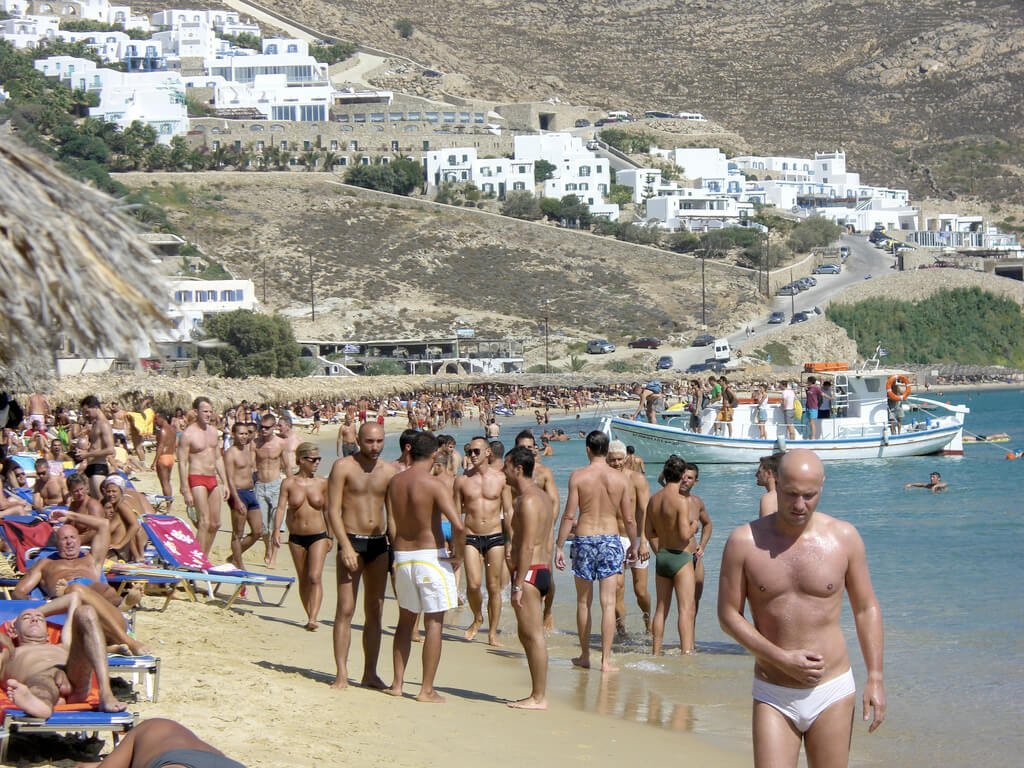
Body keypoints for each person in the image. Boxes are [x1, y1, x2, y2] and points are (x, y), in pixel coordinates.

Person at [717, 449, 886, 767]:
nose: (799, 505)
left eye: (809, 496)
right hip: (773, 690)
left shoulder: (844, 538)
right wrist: (780, 658)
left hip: (832, 688)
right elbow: (728, 615)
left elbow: (866, 608)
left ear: (822, 486)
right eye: (791, 494)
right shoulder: (744, 542)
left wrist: (875, 677)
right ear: (776, 483)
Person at [386, 432, 464, 703]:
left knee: (405, 622)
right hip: (430, 556)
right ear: (434, 455)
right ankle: (426, 689)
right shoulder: (433, 484)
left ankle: (397, 684)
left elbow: (391, 521)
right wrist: (458, 555)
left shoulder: (395, 482)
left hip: (403, 556)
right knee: (433, 624)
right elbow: (458, 525)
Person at [554, 431, 637, 672]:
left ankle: (584, 656)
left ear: (588, 449)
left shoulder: (578, 476)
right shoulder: (620, 479)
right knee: (608, 603)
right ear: (606, 450)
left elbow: (569, 515)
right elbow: (629, 519)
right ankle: (606, 661)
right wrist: (634, 544)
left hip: (584, 539)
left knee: (583, 602)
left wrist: (559, 546)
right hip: (610, 539)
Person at [14, 510, 147, 655]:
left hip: (108, 615)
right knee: (76, 589)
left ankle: (120, 607)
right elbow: (19, 592)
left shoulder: (92, 559)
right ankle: (126, 640)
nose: (69, 542)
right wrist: (32, 603)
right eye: (64, 538)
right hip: (67, 616)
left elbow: (103, 524)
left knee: (83, 589)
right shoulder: (45, 563)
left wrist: (71, 515)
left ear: (80, 540)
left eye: (73, 537)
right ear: (56, 543)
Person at [326, 422, 397, 690]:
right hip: (352, 541)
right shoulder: (343, 467)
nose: (375, 447)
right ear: (358, 440)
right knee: (345, 608)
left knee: (375, 611)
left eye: (379, 441)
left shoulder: (389, 471)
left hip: (379, 545)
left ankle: (370, 673)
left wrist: (396, 549)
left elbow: (392, 516)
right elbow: (333, 511)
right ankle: (341, 673)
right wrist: (344, 545)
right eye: (369, 441)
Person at [0, 593, 127, 719]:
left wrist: (36, 612)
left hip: (75, 677)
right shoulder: (9, 651)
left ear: (48, 633)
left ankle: (106, 694)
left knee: (86, 611)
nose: (34, 619)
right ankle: (40, 703)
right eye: (26, 618)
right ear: (14, 631)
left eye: (40, 618)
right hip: (40, 680)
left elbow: (73, 597)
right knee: (43, 680)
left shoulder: (64, 645)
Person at [503, 445, 553, 710]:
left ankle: (539, 697)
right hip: (538, 571)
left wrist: (518, 584)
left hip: (530, 573)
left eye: (506, 466)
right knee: (528, 635)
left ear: (518, 468)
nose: (503, 471)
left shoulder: (528, 500)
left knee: (533, 637)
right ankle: (536, 693)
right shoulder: (541, 497)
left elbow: (527, 545)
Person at [455, 436, 512, 645]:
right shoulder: (462, 480)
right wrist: (455, 544)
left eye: (476, 451)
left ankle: (492, 632)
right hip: (471, 536)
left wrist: (510, 540)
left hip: (495, 535)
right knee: (473, 584)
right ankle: (478, 617)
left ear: (488, 452)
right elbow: (455, 513)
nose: (472, 455)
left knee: (494, 586)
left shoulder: (501, 479)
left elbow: (509, 511)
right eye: (469, 452)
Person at [273, 443, 331, 631]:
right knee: (304, 578)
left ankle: (313, 618)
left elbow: (328, 510)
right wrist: (276, 531)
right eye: (313, 459)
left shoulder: (322, 483)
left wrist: (331, 535)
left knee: (314, 576)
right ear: (301, 460)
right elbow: (281, 508)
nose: (317, 463)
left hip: (318, 535)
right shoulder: (289, 483)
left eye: (319, 459)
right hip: (296, 537)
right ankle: (309, 613)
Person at [645, 455, 698, 655]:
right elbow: (685, 535)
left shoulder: (654, 499)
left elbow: (648, 532)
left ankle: (655, 651)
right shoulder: (681, 501)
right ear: (682, 475)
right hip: (681, 556)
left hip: (663, 556)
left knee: (661, 608)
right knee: (685, 609)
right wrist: (694, 526)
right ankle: (686, 654)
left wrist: (659, 552)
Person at [513, 430, 559, 631]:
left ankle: (547, 610)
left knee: (545, 571)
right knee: (518, 571)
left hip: (542, 529)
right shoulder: (512, 474)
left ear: (535, 448)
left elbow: (554, 501)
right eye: (522, 447)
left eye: (530, 447)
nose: (528, 450)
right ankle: (527, 614)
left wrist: (547, 526)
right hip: (518, 527)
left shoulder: (543, 472)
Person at [606, 440, 652, 636]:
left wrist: (644, 542)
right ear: (606, 459)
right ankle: (621, 632)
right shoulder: (604, 480)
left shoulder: (637, 480)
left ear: (625, 459)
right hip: (613, 539)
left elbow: (646, 512)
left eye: (619, 459)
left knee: (640, 591)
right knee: (617, 588)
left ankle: (648, 622)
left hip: (636, 539)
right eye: (612, 460)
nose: (616, 463)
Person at [177, 397, 227, 556]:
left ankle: (204, 556)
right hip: (196, 477)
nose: (208, 414)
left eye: (210, 411)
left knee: (216, 523)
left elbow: (218, 458)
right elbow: (182, 462)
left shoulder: (213, 431)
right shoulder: (188, 434)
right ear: (196, 412)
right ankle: (196, 559)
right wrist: (185, 488)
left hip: (212, 478)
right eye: (205, 411)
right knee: (204, 521)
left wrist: (225, 482)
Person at [224, 422, 262, 568]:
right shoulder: (230, 453)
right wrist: (237, 500)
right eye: (241, 433)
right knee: (238, 533)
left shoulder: (247, 449)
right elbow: (229, 479)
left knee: (258, 531)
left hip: (250, 492)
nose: (244, 436)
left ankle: (234, 557)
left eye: (246, 433)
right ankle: (239, 564)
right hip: (238, 494)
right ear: (233, 434)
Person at [679, 463, 712, 626]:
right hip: (677, 556)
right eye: (683, 476)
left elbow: (708, 524)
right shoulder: (669, 499)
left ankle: (690, 636)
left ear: (695, 482)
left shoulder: (697, 502)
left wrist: (702, 545)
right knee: (680, 604)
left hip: (695, 557)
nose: (685, 480)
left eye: (690, 478)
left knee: (695, 601)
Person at [254, 414, 288, 567]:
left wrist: (292, 486)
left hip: (276, 486)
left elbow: (287, 466)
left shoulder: (281, 443)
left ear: (274, 427)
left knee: (276, 524)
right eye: (261, 427)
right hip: (260, 485)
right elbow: (249, 465)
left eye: (267, 427)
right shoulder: (255, 443)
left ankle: (274, 555)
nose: (263, 430)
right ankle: (267, 549)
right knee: (263, 526)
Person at [78, 395, 115, 499]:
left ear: (95, 407)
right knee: (95, 502)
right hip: (92, 466)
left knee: (102, 502)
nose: (86, 415)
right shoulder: (95, 423)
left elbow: (110, 449)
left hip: (99, 467)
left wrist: (87, 454)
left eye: (87, 411)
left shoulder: (104, 424)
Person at [151, 412, 177, 510]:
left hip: (163, 457)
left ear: (162, 418)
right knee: (168, 482)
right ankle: (169, 504)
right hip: (171, 457)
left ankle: (168, 506)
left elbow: (160, 446)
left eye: (156, 419)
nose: (155, 422)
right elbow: (175, 444)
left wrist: (154, 462)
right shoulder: (173, 430)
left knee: (164, 483)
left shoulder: (162, 431)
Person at [757, 454, 781, 518]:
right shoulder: (784, 496)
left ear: (769, 473)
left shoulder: (769, 499)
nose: (756, 475)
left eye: (759, 472)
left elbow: (765, 524)